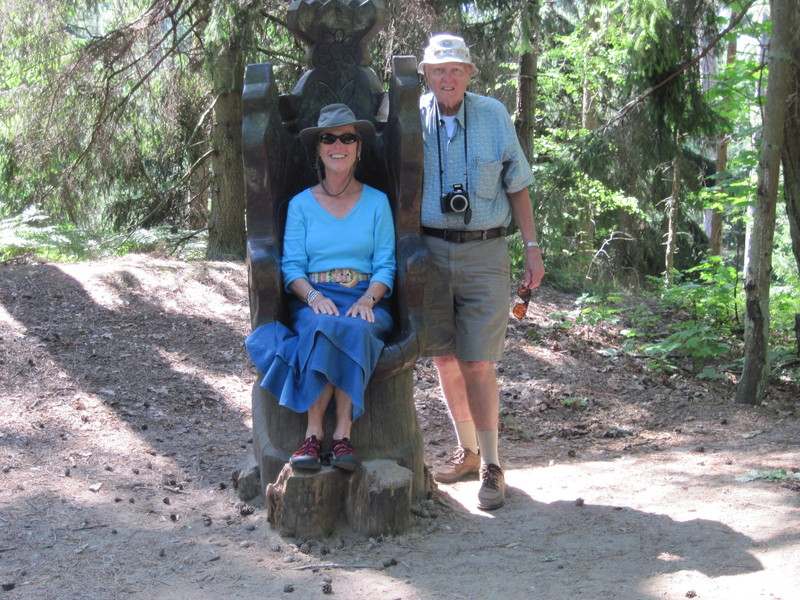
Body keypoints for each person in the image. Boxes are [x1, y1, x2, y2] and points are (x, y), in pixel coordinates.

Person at [417, 34, 545, 509]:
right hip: (429, 251)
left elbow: (518, 185)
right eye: (438, 70)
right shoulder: (411, 116)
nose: (447, 78)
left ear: (470, 74)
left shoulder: (493, 115)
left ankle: (492, 465)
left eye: (456, 69)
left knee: (477, 360)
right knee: (444, 358)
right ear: (426, 75)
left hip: (486, 251)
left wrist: (532, 248)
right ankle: (467, 451)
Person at [245, 104, 395, 472]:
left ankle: (343, 435)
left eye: (347, 138)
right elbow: (292, 267)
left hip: (364, 297)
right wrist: (312, 296)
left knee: (355, 327)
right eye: (328, 138)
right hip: (314, 298)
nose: (337, 145)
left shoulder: (377, 202)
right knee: (324, 326)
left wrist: (368, 299)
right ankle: (313, 435)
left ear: (359, 147)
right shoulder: (300, 205)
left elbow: (386, 264)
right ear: (318, 148)